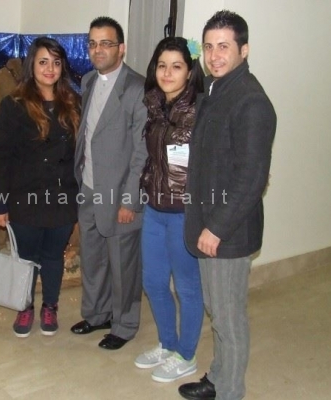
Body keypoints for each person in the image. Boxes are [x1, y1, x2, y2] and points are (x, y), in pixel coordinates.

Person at [178, 10, 277, 400]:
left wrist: (216, 228)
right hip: (210, 223)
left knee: (228, 319)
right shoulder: (218, 90)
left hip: (227, 233)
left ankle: (230, 392)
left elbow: (251, 179)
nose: (214, 55)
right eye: (208, 47)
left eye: (224, 46)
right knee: (218, 313)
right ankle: (218, 378)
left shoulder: (251, 101)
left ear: (244, 49)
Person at [0, 37, 80, 338]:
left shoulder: (73, 103)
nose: (50, 68)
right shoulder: (13, 105)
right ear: (32, 65)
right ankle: (25, 306)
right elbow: (0, 157)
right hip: (24, 198)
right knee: (26, 258)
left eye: (56, 62)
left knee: (53, 256)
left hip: (63, 198)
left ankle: (50, 306)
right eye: (43, 62)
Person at [70, 16, 148, 350]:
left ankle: (125, 324)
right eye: (92, 43)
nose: (97, 50)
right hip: (89, 189)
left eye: (106, 43)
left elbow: (142, 152)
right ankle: (97, 314)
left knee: (123, 265)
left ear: (121, 48)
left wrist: (131, 200)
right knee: (93, 259)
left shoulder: (138, 88)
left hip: (119, 195)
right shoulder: (88, 81)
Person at [134, 36, 205, 383]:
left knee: (187, 288)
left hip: (184, 213)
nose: (167, 72)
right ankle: (167, 344)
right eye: (162, 65)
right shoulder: (155, 105)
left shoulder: (202, 110)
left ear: (189, 72)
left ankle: (186, 355)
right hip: (154, 209)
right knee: (153, 281)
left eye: (176, 66)